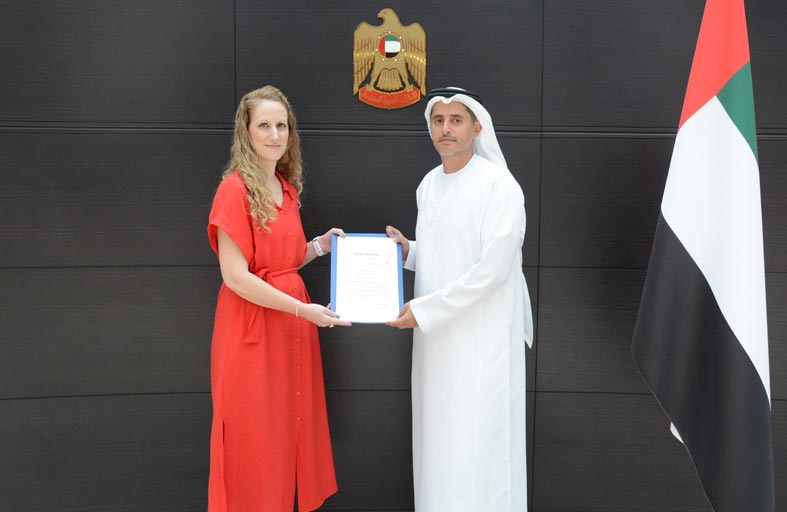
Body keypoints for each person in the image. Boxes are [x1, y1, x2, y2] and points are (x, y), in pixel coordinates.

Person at [386, 87, 534, 511]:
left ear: (477, 127)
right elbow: (444, 254)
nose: (446, 129)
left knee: (479, 448)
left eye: (456, 120)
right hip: (435, 344)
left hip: (481, 343)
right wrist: (408, 252)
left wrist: (424, 310)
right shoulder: (428, 185)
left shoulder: (499, 186)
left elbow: (492, 271)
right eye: (438, 120)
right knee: (438, 445)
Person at [207, 85, 350, 512]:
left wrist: (320, 246)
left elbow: (282, 262)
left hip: (290, 331)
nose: (274, 135)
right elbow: (236, 276)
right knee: (253, 435)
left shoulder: (285, 189)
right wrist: (301, 309)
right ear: (246, 132)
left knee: (286, 430)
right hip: (252, 333)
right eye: (264, 126)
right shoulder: (234, 190)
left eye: (282, 126)